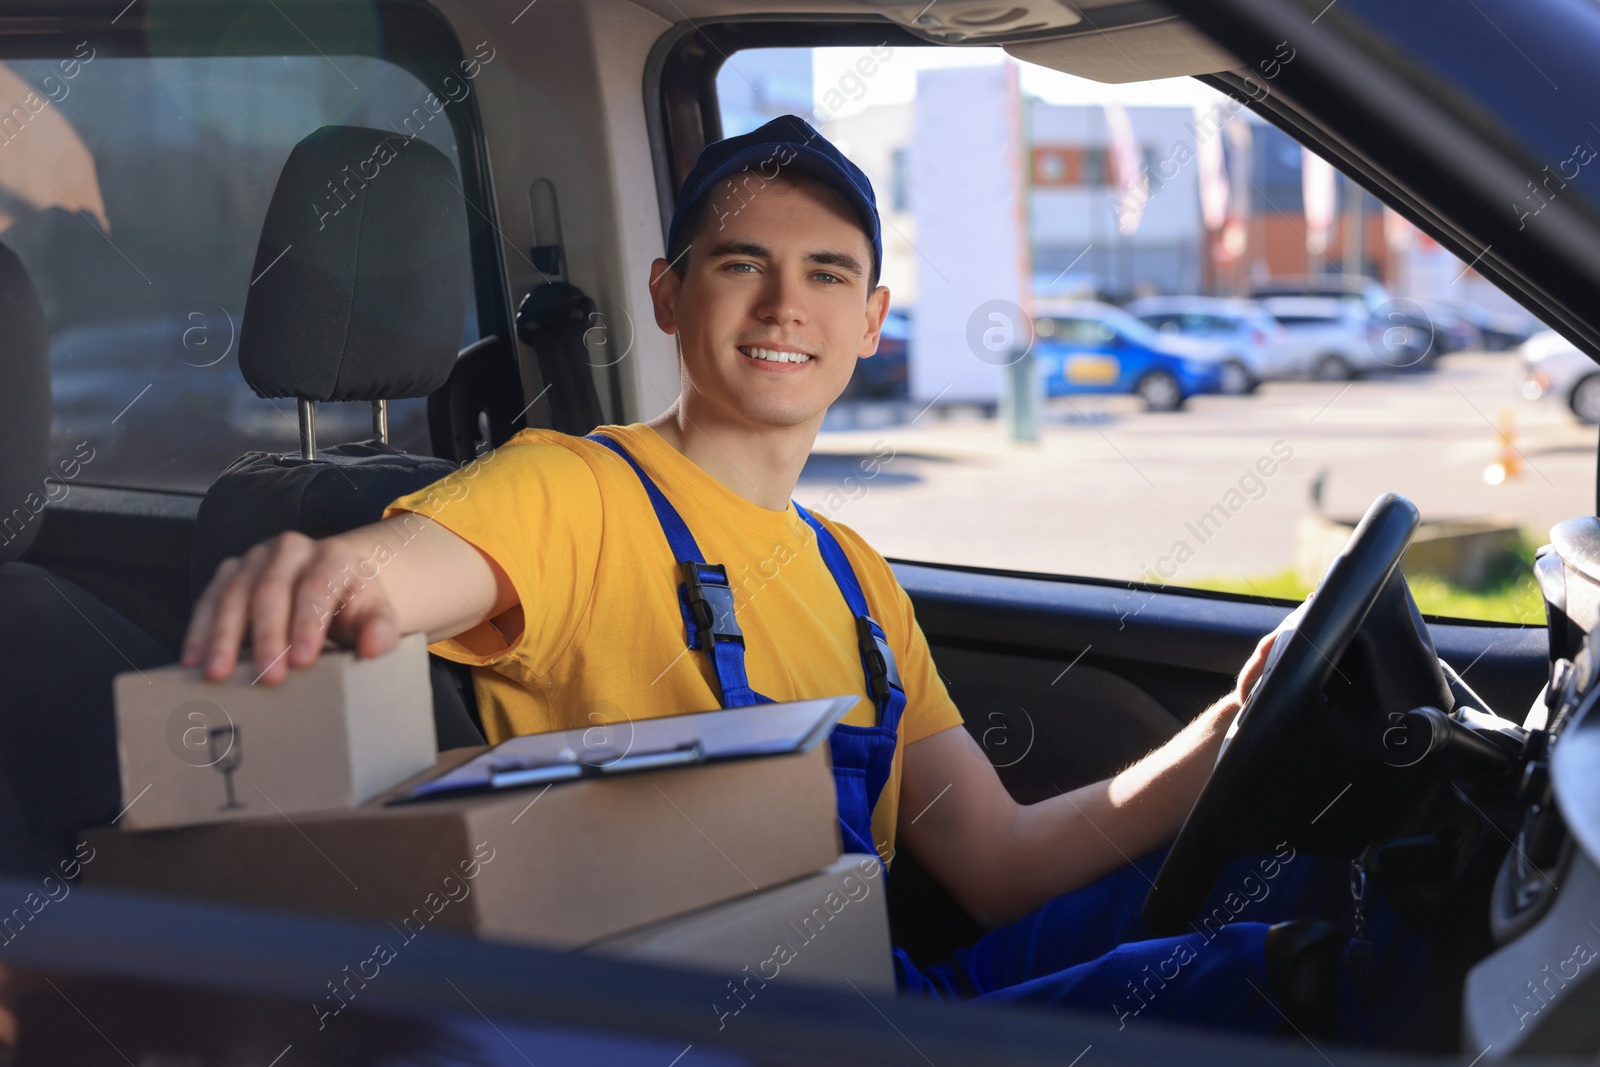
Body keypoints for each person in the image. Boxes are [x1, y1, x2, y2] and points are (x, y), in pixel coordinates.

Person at [182, 115, 1355, 1035]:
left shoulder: (855, 576)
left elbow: (998, 868)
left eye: (828, 273)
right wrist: (332, 569)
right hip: (719, 1033)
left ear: (871, 318)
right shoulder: (569, 489)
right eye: (742, 263)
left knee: (1306, 880)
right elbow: (400, 575)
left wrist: (1231, 727)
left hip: (882, 993)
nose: (786, 302)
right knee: (1297, 975)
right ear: (665, 294)